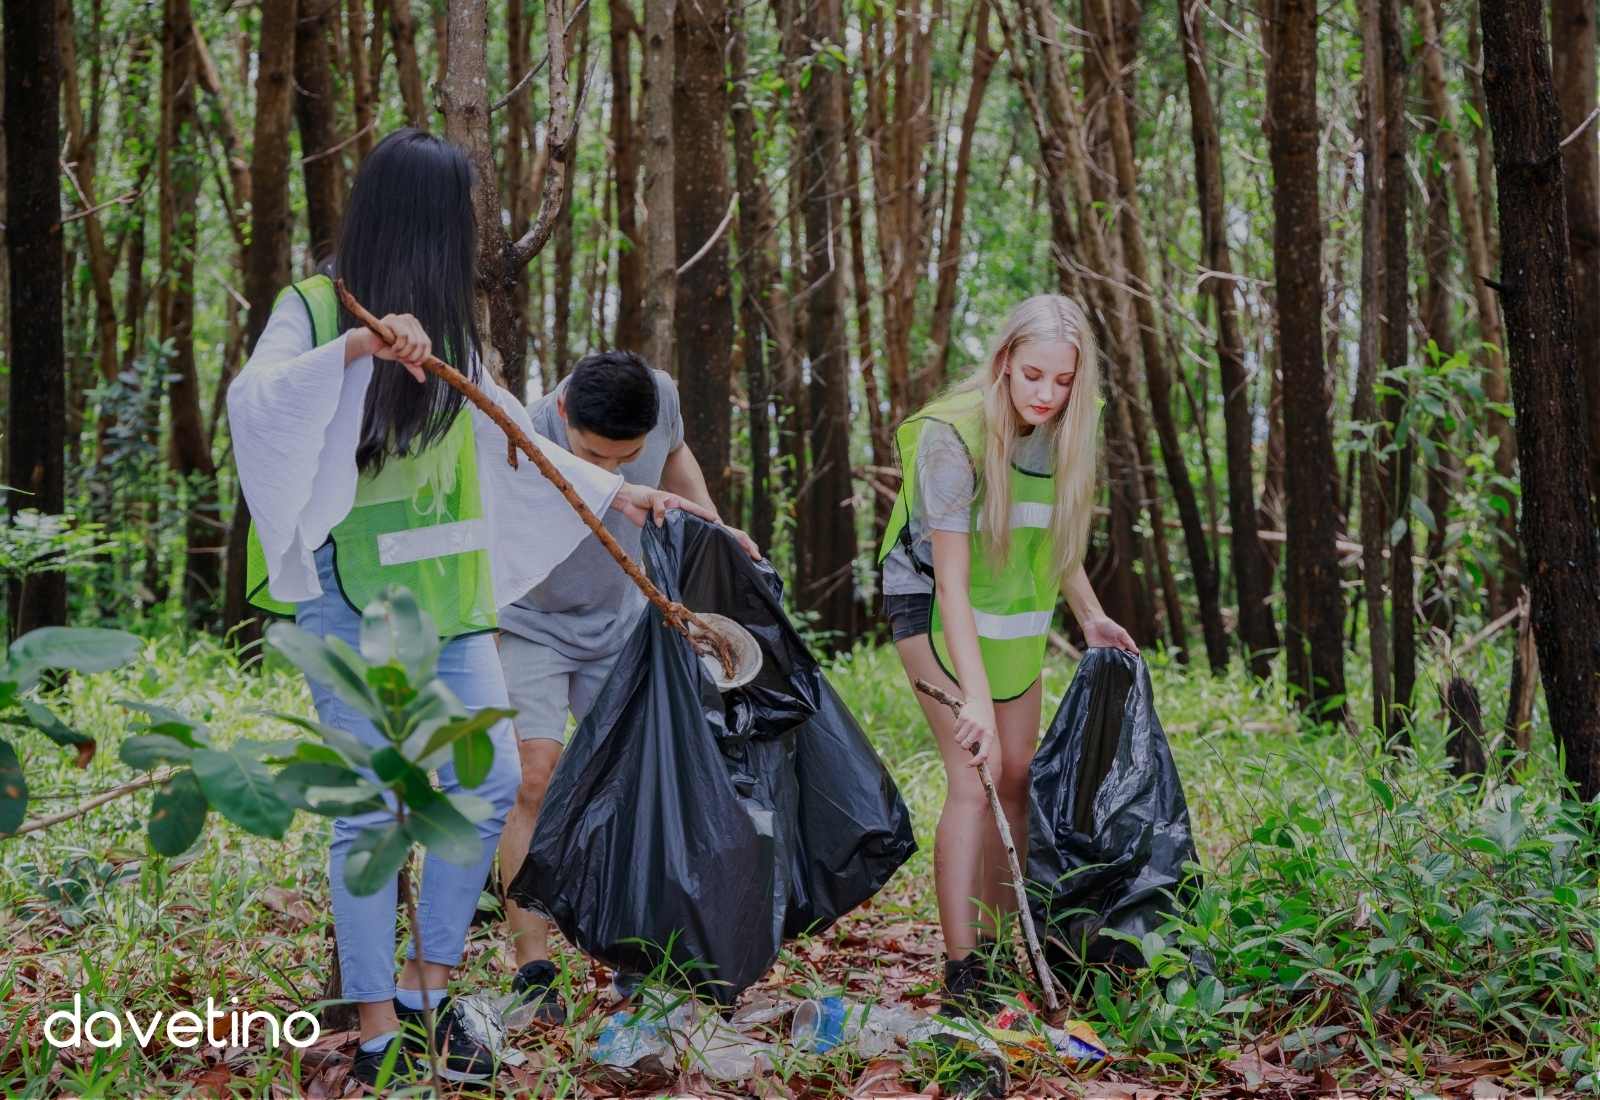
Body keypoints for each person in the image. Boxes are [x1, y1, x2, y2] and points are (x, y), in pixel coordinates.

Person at [227, 129, 712, 1087]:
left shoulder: (453, 327)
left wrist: (627, 493)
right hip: (347, 597)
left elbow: (507, 436)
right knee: (371, 813)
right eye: (462, 214)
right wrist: (361, 345)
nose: (471, 232)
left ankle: (426, 994)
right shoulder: (316, 307)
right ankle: (376, 1038)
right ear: (422, 218)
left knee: (486, 786)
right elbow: (257, 399)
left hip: (449, 600)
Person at [877, 293, 1138, 1016]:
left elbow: (1046, 536)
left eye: (1063, 382)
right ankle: (964, 973)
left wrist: (1089, 615)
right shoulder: (950, 437)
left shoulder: (1065, 428)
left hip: (1013, 606)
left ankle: (999, 946)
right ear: (1002, 364)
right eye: (1032, 377)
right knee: (976, 771)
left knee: (1016, 777)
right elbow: (952, 582)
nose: (1047, 395)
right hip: (934, 606)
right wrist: (976, 702)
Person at [494, 349, 759, 1025]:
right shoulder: (522, 430)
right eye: (595, 455)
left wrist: (712, 523)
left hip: (622, 618)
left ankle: (639, 957)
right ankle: (533, 968)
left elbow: (675, 454)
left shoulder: (661, 395)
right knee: (533, 774)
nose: (613, 470)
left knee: (641, 777)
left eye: (625, 456)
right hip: (533, 621)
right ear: (562, 413)